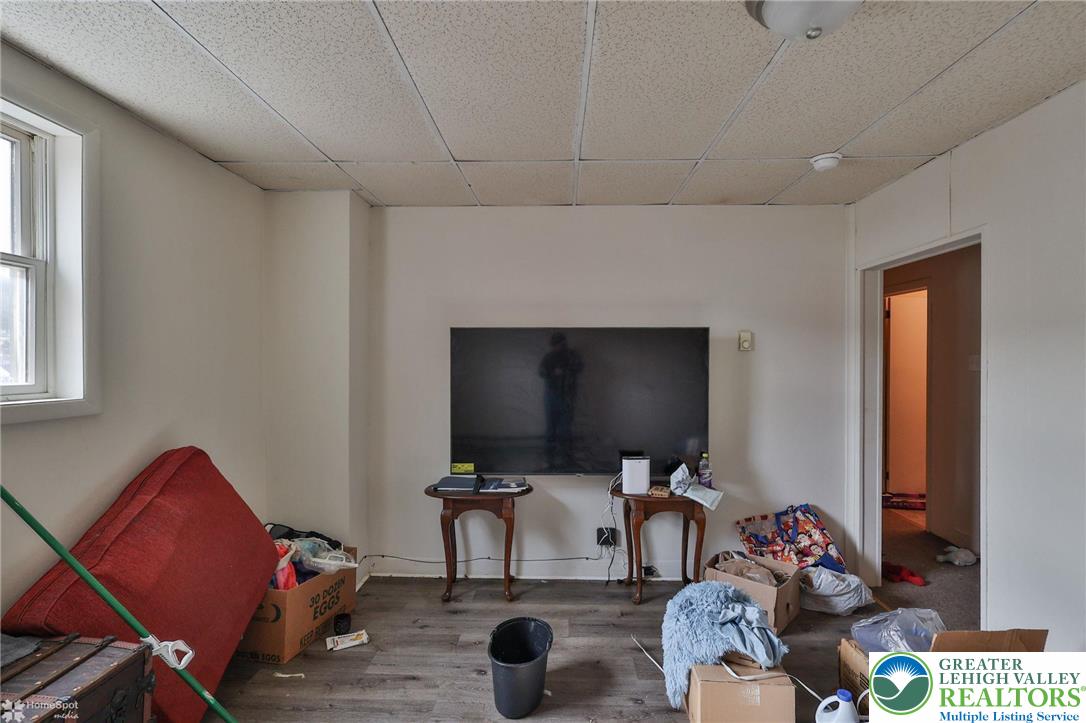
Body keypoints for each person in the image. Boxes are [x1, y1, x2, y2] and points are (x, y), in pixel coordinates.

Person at [538, 332, 583, 469]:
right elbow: (541, 372)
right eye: (556, 345)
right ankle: (550, 459)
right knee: (551, 428)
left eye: (560, 344)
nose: (558, 347)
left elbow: (580, 367)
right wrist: (553, 373)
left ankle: (567, 458)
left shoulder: (572, 355)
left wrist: (566, 370)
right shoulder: (549, 357)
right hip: (552, 395)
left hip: (567, 396)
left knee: (566, 429)